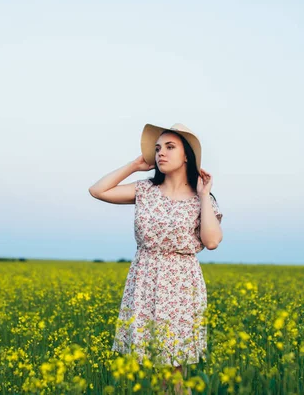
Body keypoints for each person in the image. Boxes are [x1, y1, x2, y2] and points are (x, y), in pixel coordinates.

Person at [88, 123, 223, 394]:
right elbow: (97, 190)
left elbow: (211, 241)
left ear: (187, 155)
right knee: (151, 366)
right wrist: (134, 165)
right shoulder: (145, 190)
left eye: (170, 147)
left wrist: (204, 195)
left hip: (180, 285)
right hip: (145, 278)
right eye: (157, 148)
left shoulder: (202, 199)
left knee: (173, 371)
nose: (160, 153)